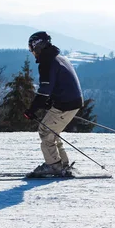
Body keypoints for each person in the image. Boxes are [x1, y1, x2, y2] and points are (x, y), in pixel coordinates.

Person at [23, 31, 84, 177]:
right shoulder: (59, 58)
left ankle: (53, 166)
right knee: (52, 132)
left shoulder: (47, 62)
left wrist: (32, 110)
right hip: (72, 101)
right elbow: (57, 85)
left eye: (31, 49)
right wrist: (51, 100)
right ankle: (62, 164)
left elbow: (44, 91)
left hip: (65, 104)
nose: (32, 52)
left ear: (37, 47)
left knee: (45, 131)